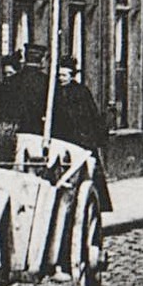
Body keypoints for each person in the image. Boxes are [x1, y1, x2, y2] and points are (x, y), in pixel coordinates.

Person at [51, 55, 112, 211]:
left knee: (90, 171)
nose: (61, 78)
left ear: (72, 76)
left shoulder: (81, 92)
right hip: (63, 138)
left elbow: (92, 115)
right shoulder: (55, 92)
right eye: (59, 75)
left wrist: (93, 136)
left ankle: (95, 203)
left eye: (64, 75)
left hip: (82, 138)